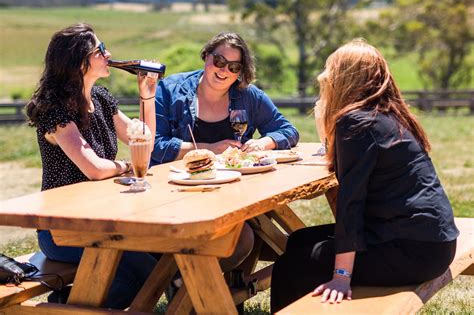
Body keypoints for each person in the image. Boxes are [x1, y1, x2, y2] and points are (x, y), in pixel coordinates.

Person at [270, 39, 459, 312]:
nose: (323, 76)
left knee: (291, 266)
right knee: (299, 240)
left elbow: (351, 202)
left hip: (413, 250)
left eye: (329, 70)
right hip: (430, 240)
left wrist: (341, 277)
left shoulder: (357, 121)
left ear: (344, 78)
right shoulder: (388, 114)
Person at [26, 23, 159, 309]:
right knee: (147, 271)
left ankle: (68, 302)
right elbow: (94, 169)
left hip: (101, 220)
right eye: (100, 49)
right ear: (79, 61)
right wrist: (126, 165)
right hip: (61, 227)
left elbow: (144, 144)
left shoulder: (101, 99)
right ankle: (64, 305)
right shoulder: (55, 110)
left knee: (156, 261)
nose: (108, 53)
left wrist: (147, 95)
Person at [150, 32, 300, 273]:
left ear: (240, 71)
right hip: (178, 194)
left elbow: (287, 130)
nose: (224, 70)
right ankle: (190, 286)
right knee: (241, 239)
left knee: (243, 238)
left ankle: (197, 287)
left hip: (233, 196)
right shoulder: (169, 90)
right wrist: (209, 150)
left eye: (233, 66)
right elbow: (155, 145)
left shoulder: (248, 95)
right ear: (206, 56)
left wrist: (264, 143)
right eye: (219, 61)